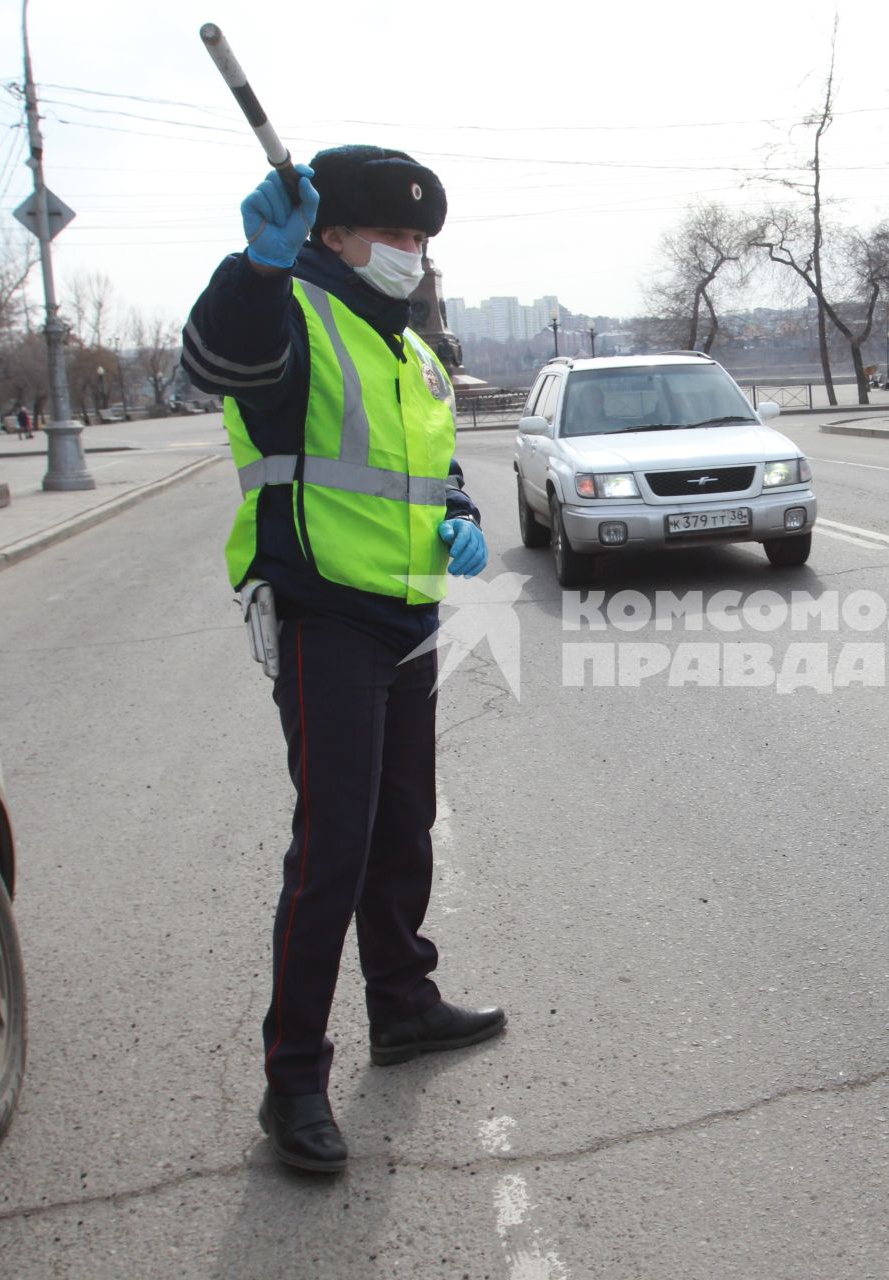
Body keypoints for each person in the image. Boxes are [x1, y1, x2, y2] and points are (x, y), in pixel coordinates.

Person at [182, 145, 503, 1175]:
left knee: (402, 825)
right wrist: (253, 269)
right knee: (333, 847)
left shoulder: (405, 344)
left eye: (421, 240)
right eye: (394, 236)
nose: (412, 255)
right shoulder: (295, 316)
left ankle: (402, 1001)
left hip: (408, 614)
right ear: (332, 235)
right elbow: (219, 362)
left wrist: (458, 512)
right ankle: (293, 1079)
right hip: (326, 616)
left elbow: (428, 462)